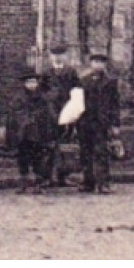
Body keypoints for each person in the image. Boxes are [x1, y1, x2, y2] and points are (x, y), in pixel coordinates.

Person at [77, 52, 122, 195]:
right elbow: (76, 102)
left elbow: (115, 104)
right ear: (90, 64)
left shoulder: (110, 82)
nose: (98, 65)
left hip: (102, 123)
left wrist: (115, 124)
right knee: (85, 152)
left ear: (104, 65)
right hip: (85, 121)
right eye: (95, 62)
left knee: (101, 152)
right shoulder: (83, 81)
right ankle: (88, 182)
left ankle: (104, 183)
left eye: (101, 62)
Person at [11, 71, 58, 193]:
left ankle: (39, 183)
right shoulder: (19, 97)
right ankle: (24, 182)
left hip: (39, 133)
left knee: (39, 158)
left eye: (34, 82)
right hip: (24, 133)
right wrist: (27, 121)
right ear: (24, 84)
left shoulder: (43, 97)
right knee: (23, 158)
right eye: (28, 82)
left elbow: (48, 113)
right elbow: (16, 113)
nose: (31, 84)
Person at [44, 45, 82, 187]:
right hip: (51, 112)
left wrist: (74, 110)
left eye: (60, 54)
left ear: (65, 56)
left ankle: (63, 176)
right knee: (50, 145)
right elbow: (41, 92)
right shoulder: (46, 73)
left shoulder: (71, 72)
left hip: (67, 110)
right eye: (54, 54)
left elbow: (77, 90)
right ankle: (49, 176)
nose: (57, 57)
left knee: (65, 144)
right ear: (50, 56)